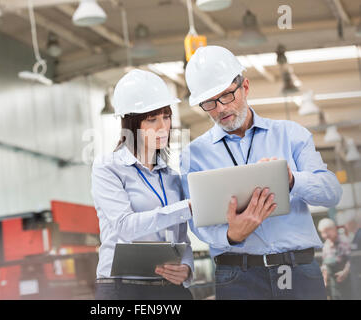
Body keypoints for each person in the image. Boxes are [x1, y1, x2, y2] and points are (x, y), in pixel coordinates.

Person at [180, 45, 343, 300]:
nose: (220, 109)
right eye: (209, 103)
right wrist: (230, 235)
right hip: (238, 276)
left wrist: (291, 180)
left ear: (244, 87)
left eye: (226, 96)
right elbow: (196, 220)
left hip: (298, 271)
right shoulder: (193, 154)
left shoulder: (291, 134)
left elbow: (331, 193)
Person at [91, 69, 194, 300]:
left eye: (166, 117)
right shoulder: (107, 168)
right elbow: (125, 226)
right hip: (123, 288)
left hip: (169, 288)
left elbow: (181, 239)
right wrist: (185, 208)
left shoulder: (170, 176)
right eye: (152, 119)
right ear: (131, 123)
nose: (163, 127)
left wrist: (186, 268)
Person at [318, 218, 352, 300]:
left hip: (348, 282)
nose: (325, 235)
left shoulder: (344, 241)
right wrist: (324, 279)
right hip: (334, 284)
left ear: (334, 229)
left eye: (327, 231)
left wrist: (345, 272)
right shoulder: (326, 245)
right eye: (322, 232)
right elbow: (325, 264)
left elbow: (351, 260)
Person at [339, 209, 361, 299]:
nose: (345, 226)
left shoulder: (359, 235)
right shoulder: (355, 235)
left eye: (346, 224)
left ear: (351, 223)